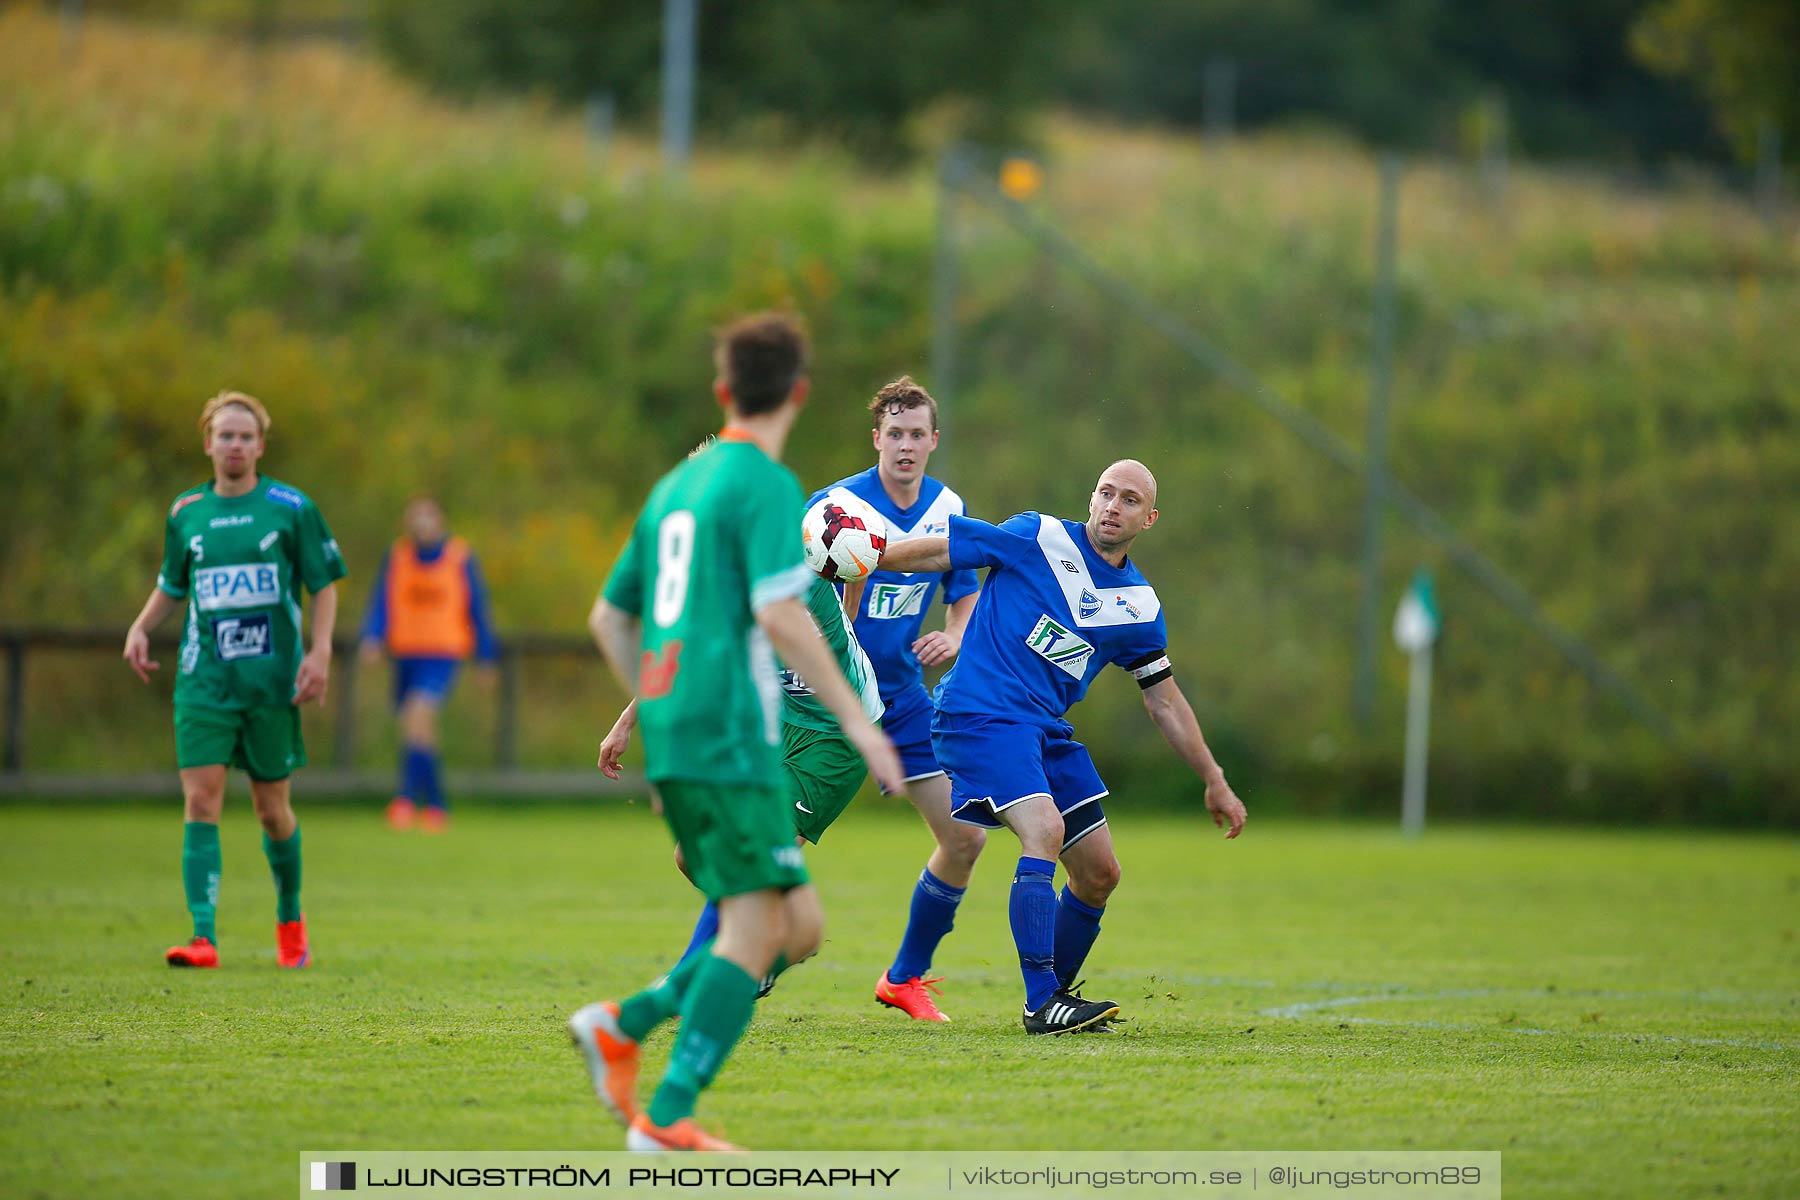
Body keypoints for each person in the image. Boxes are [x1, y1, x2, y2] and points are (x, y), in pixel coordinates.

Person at [571, 313, 905, 1152]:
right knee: (761, 928)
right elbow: (779, 615)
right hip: (733, 737)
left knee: (798, 929)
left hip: (691, 734)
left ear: (722, 392)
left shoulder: (673, 493)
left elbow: (611, 620)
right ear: (799, 392)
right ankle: (663, 1097)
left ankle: (628, 1028)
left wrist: (659, 709)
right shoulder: (762, 485)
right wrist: (864, 732)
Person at [876, 459, 1247, 1034]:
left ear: (1148, 519)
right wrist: (866, 556)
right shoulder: (1037, 536)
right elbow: (939, 551)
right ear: (1091, 496)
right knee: (1043, 830)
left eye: (1128, 500)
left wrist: (1214, 779)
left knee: (1099, 872)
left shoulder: (1139, 607)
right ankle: (1041, 1003)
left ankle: (1057, 999)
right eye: (1105, 493)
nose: (1111, 507)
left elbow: (1165, 701)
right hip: (978, 712)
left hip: (1042, 729)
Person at [596, 527, 885, 989]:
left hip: (836, 738)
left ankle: (690, 977)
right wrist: (628, 720)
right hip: (783, 725)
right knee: (690, 856)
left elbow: (848, 556)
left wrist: (848, 607)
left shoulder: (789, 551)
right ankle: (774, 939)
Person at [122, 391, 347, 970]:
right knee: (201, 799)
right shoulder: (185, 513)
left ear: (261, 445)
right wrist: (142, 628)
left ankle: (290, 918)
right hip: (204, 682)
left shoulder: (291, 507)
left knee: (272, 810)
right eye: (226, 435)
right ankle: (203, 937)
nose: (236, 445)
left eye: (246, 437)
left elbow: (324, 583)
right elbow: (174, 583)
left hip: (272, 684)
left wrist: (319, 653)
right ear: (207, 443)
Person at [808, 377, 983, 1023]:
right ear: (875, 438)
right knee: (777, 844)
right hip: (825, 697)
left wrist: (956, 635)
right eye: (895, 434)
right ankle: (732, 962)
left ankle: (904, 977)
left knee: (965, 837)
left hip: (902, 700)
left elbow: (963, 589)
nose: (905, 445)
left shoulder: (949, 508)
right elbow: (796, 593)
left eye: (917, 435)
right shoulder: (835, 508)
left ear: (933, 441)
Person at [358, 496, 500, 832]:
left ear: (440, 521)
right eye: (417, 517)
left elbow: (478, 608)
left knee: (419, 714)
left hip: (442, 655)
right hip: (406, 654)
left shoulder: (459, 558)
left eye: (429, 516)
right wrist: (373, 635)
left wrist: (485, 656)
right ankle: (436, 804)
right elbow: (382, 601)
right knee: (415, 728)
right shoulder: (398, 557)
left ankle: (406, 799)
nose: (423, 523)